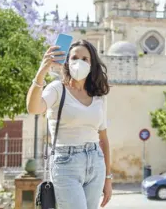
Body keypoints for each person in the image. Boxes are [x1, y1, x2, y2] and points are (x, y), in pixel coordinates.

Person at [26, 39, 112, 209]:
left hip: (96, 162)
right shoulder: (58, 88)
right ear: (67, 62)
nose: (79, 62)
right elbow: (33, 108)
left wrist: (108, 179)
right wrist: (41, 72)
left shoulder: (99, 95)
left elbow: (103, 139)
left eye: (85, 59)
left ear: (92, 63)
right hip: (66, 163)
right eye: (74, 58)